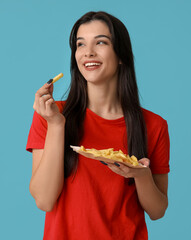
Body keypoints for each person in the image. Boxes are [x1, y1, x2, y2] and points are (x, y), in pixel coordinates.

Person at [26, 11, 170, 240]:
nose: (88, 52)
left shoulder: (154, 125)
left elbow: (158, 210)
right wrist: (55, 125)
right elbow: (44, 200)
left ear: (121, 55)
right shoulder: (51, 114)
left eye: (101, 42)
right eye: (80, 44)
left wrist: (141, 175)